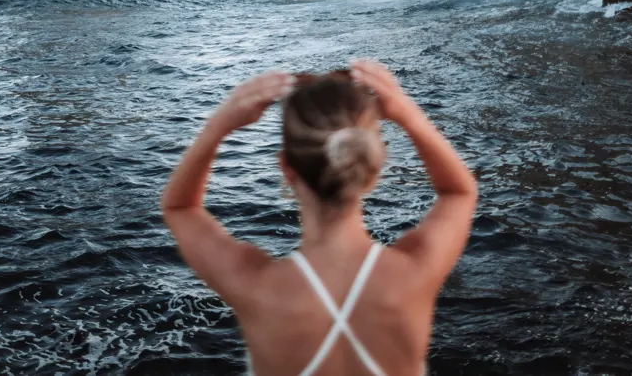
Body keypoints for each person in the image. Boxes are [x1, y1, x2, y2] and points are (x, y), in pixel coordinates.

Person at [161, 59, 478, 375]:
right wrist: (403, 109)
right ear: (373, 165)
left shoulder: (258, 288)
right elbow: (459, 193)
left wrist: (221, 122)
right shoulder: (412, 275)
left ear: (286, 168)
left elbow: (180, 208)